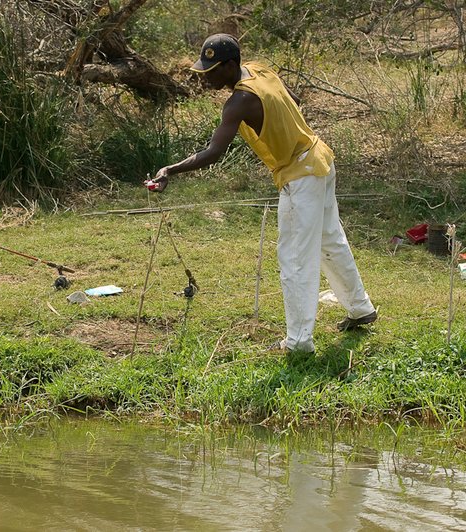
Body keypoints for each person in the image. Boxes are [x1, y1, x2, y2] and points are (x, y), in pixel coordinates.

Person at [150, 33, 377, 353]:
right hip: (318, 157)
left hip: (301, 176)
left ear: (230, 65)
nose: (207, 77)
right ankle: (361, 309)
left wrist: (169, 170)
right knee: (330, 241)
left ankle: (298, 342)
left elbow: (214, 153)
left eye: (213, 70)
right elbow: (294, 100)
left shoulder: (239, 101)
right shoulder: (259, 70)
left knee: (295, 259)